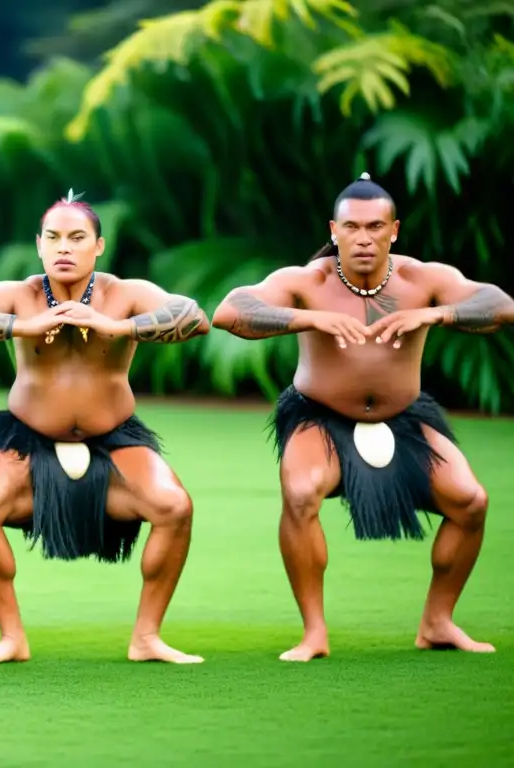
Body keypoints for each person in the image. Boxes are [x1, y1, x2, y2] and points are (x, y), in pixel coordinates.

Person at [211, 173, 514, 662]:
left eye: (376, 226)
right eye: (352, 227)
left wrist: (436, 315)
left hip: (405, 417)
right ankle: (314, 633)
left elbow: (501, 306)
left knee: (471, 502)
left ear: (394, 230)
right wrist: (310, 318)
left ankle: (438, 623)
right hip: (319, 416)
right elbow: (229, 313)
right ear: (335, 230)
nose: (364, 238)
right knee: (303, 492)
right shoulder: (309, 282)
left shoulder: (423, 280)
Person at [0, 190, 209, 667]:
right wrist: (22, 326)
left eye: (77, 237)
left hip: (115, 439)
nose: (64, 247)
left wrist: (116, 327)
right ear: (39, 244)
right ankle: (11, 637)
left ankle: (146, 637)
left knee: (173, 505)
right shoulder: (19, 294)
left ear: (98, 246)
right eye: (54, 238)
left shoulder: (125, 294)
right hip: (28, 438)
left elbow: (195, 318)